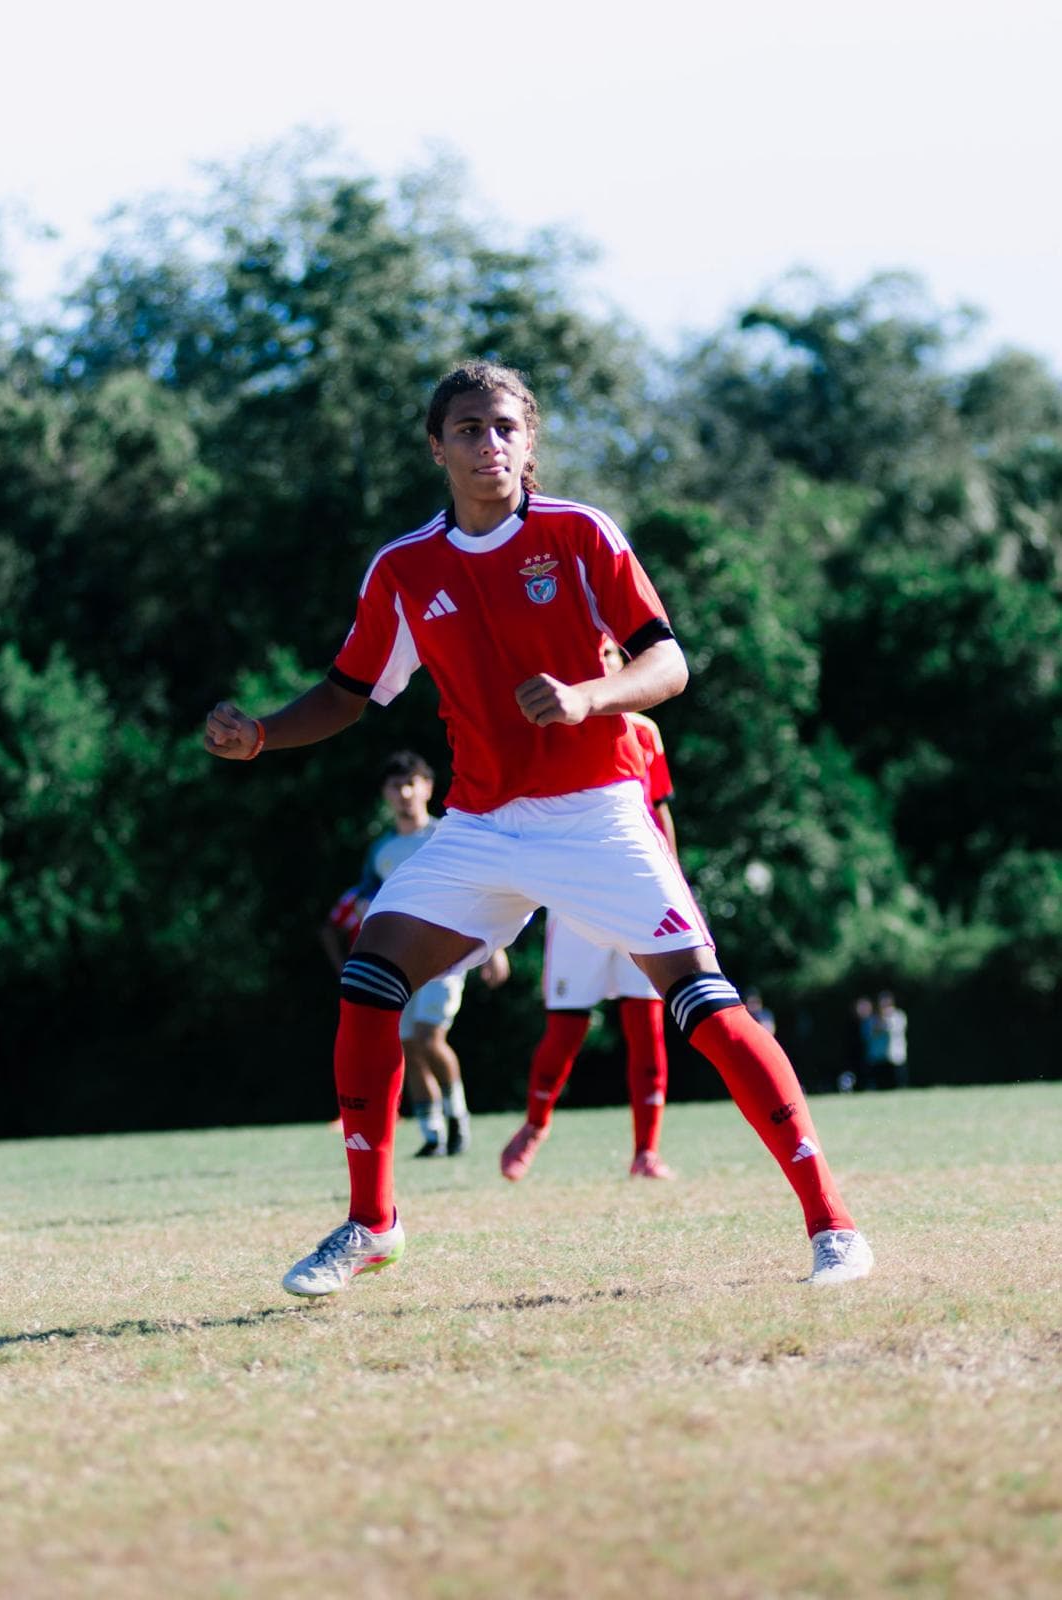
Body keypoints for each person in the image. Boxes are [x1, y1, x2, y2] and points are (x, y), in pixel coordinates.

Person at [204, 359, 873, 1295]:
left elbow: (669, 664)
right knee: (369, 978)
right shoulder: (403, 568)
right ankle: (371, 1223)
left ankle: (833, 1225)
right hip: (479, 826)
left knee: (705, 1007)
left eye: (507, 428)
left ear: (531, 442)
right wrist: (266, 734)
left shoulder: (580, 534)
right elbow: (351, 692)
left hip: (598, 815)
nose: (491, 445)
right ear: (436, 446)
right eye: (470, 429)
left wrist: (589, 696)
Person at [501, 640, 677, 1182]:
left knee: (645, 1024)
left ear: (625, 665)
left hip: (636, 894)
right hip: (575, 896)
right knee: (566, 1028)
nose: (601, 661)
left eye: (610, 654)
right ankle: (535, 1125)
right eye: (593, 653)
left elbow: (660, 811)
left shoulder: (645, 731)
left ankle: (646, 1150)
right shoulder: (557, 719)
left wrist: (673, 880)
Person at [321, 750, 509, 1155]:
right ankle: (431, 1133)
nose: (405, 792)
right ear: (386, 795)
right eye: (396, 786)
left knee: (428, 1037)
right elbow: (369, 897)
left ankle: (457, 1117)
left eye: (412, 783)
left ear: (427, 787)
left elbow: (482, 887)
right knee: (406, 1043)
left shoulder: (446, 834)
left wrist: (493, 946)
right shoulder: (381, 850)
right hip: (400, 962)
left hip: (447, 955)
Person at [868, 991, 909, 1091]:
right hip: (879, 1058)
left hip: (896, 1057)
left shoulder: (899, 1015)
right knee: (881, 1087)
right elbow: (871, 1033)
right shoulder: (874, 1018)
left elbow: (892, 1029)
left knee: (900, 1086)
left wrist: (886, 1019)